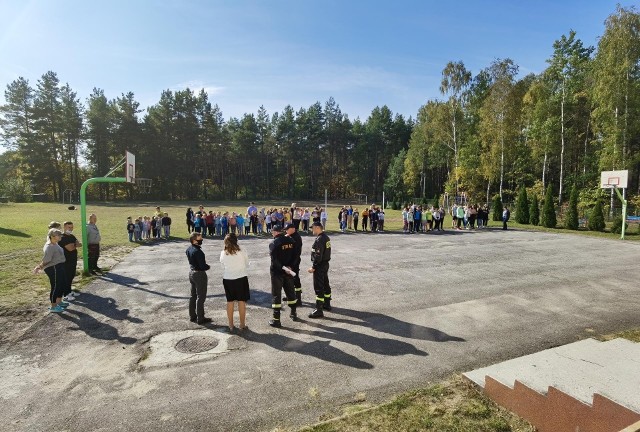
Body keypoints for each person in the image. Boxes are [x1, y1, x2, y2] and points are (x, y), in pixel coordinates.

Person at [268, 225, 298, 327]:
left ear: (276, 232)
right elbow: (296, 256)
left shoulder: (274, 243)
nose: (272, 234)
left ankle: (276, 320)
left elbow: (274, 260)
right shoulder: (291, 240)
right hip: (289, 271)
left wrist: (284, 268)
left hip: (277, 272)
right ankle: (293, 313)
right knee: (290, 292)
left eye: (272, 232)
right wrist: (290, 267)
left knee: (276, 294)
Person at [219, 233, 250, 332]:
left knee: (230, 302)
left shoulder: (223, 253)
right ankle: (242, 324)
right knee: (241, 301)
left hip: (228, 278)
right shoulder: (241, 251)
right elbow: (246, 263)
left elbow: (222, 265)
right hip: (241, 277)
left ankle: (231, 325)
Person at [34, 228, 68, 313]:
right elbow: (46, 260)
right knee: (56, 286)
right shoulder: (49, 247)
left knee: (62, 283)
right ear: (52, 236)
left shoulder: (55, 244)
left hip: (60, 266)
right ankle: (53, 306)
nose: (60, 236)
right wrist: (39, 267)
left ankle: (59, 301)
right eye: (58, 235)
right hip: (53, 268)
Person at [185, 232, 212, 324]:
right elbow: (202, 266)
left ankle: (192, 316)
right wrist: (208, 267)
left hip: (192, 273)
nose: (201, 240)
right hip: (199, 274)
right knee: (201, 297)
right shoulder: (198, 252)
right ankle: (200, 318)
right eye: (199, 239)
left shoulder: (189, 249)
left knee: (193, 295)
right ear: (194, 240)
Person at [308, 222, 332, 318]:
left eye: (313, 228)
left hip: (320, 265)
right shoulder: (326, 237)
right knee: (325, 283)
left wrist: (313, 267)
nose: (311, 230)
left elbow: (318, 256)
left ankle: (319, 310)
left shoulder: (319, 240)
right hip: (325, 264)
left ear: (318, 228)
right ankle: (327, 304)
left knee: (319, 287)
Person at [59, 221, 81, 302]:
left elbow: (79, 244)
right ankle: (66, 294)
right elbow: (70, 248)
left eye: (72, 227)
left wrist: (74, 244)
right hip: (65, 261)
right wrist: (75, 245)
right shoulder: (62, 237)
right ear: (64, 227)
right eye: (69, 227)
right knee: (66, 277)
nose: (71, 229)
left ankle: (69, 291)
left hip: (73, 260)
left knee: (71, 276)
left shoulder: (72, 236)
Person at [285, 222, 303, 306]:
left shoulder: (296, 237)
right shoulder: (291, 236)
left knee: (295, 278)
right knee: (289, 279)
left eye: (287, 230)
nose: (286, 231)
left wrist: (292, 265)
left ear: (292, 229)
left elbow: (296, 253)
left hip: (294, 262)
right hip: (289, 262)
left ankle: (298, 299)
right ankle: (291, 295)